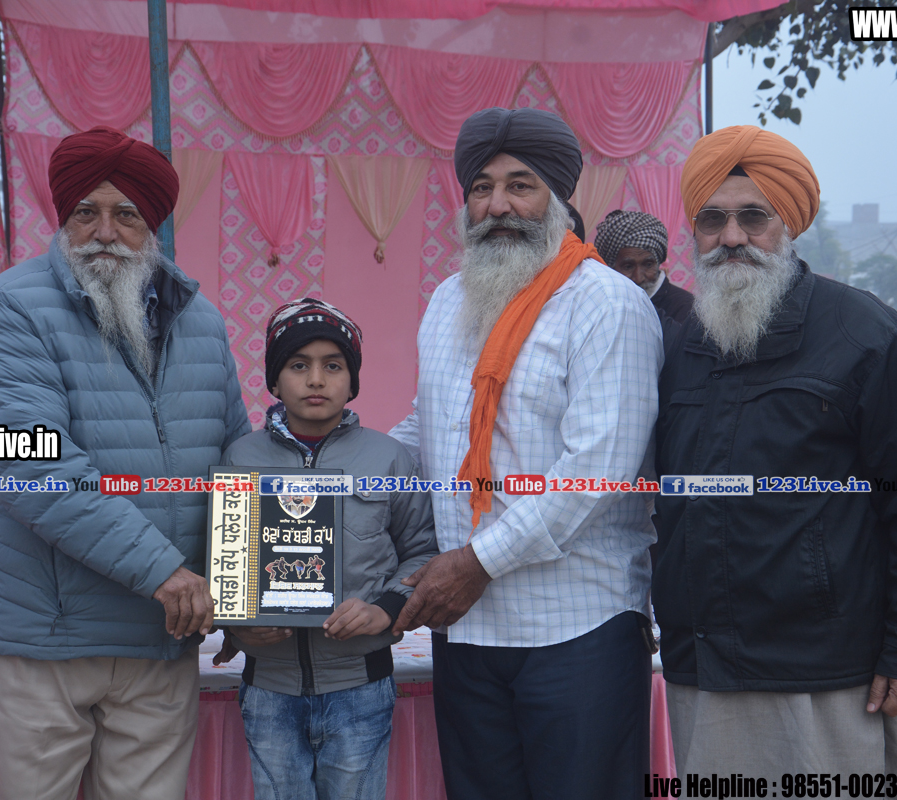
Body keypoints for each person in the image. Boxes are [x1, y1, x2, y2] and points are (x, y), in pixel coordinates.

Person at [652, 125, 897, 776]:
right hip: (703, 670)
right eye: (712, 220)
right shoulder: (683, 345)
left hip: (825, 672)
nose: (731, 237)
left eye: (753, 217)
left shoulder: (862, 331)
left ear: (788, 224)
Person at [0, 126, 251, 800]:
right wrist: (163, 572)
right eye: (86, 212)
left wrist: (240, 595)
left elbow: (237, 461)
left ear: (153, 226)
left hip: (160, 640)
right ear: (63, 217)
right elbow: (30, 466)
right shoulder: (11, 307)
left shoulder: (201, 321)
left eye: (127, 215)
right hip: (47, 643)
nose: (104, 232)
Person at [388, 107, 663, 800]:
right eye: (481, 188)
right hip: (467, 628)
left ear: (559, 198)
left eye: (520, 185)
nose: (498, 205)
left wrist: (476, 562)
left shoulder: (607, 303)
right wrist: (329, 472)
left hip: (578, 625)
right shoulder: (449, 300)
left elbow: (595, 472)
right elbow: (430, 428)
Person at [218, 298, 438, 800]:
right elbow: (224, 558)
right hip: (268, 688)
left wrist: (386, 609)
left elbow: (423, 551)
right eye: (298, 366)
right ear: (275, 381)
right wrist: (237, 621)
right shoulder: (240, 458)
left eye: (333, 366)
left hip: (361, 687)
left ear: (352, 381)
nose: (316, 380)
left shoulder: (389, 458)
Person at [595, 208, 694, 326]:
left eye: (648, 265)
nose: (638, 278)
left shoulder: (686, 309)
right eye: (628, 267)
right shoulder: (600, 305)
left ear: (657, 263)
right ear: (611, 268)